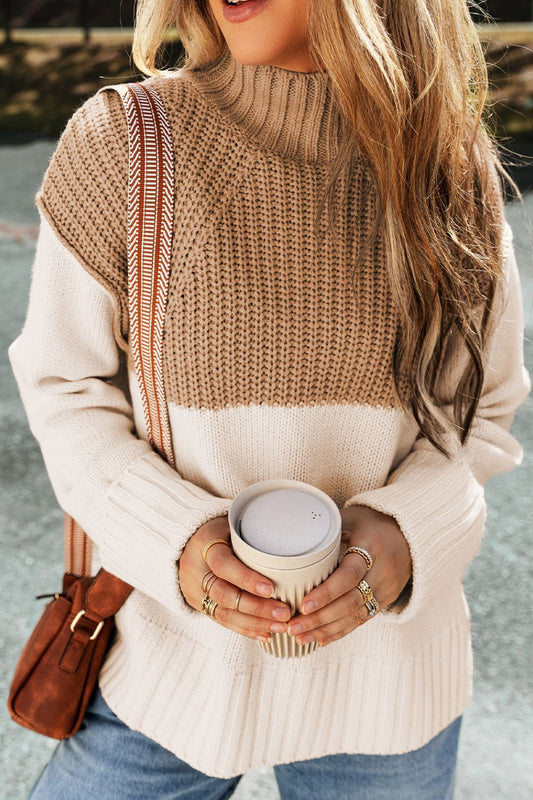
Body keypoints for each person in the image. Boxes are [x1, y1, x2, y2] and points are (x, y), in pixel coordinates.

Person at [9, 1, 529, 798]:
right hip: (165, 663)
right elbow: (63, 387)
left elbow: (480, 414)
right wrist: (178, 545)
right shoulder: (127, 143)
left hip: (386, 686)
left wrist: (405, 534)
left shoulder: (446, 165)